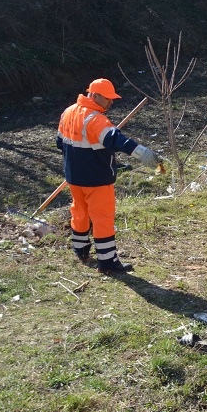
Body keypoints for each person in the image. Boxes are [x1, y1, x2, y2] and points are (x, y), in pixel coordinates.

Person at [57, 78, 161, 273]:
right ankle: (107, 262)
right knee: (102, 218)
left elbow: (59, 142)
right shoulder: (96, 119)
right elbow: (116, 140)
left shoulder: (68, 112)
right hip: (96, 178)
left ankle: (80, 250)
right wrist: (142, 153)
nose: (111, 102)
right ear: (94, 95)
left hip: (74, 176)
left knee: (80, 212)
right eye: (108, 98)